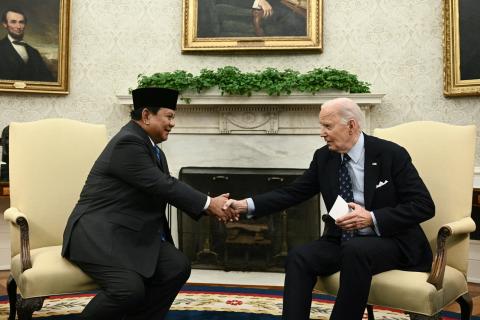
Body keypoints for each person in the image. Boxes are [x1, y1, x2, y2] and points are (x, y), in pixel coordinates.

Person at [224, 97, 435, 320]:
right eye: (321, 126)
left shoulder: (391, 154)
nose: (322, 133)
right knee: (299, 257)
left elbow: (423, 205)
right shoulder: (324, 157)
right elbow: (293, 193)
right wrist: (245, 205)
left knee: (356, 250)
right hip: (342, 240)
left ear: (351, 125)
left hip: (392, 241)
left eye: (327, 126)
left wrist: (371, 217)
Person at [62, 87, 237, 320]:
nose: (173, 123)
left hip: (128, 233)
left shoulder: (152, 149)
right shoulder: (128, 143)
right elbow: (163, 185)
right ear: (146, 116)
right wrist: (209, 203)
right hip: (97, 234)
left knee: (176, 266)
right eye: (169, 116)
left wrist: (212, 206)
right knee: (127, 290)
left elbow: (165, 187)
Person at [0, 7, 54, 82]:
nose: (18, 26)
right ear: (5, 24)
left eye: (21, 22)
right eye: (13, 22)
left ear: (25, 24)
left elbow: (48, 80)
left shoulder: (34, 52)